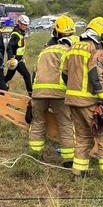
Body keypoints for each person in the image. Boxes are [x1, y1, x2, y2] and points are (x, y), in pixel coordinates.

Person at [63, 17, 103, 179]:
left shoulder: (72, 48)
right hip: (89, 101)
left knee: (82, 137)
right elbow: (94, 76)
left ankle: (78, 172)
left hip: (72, 101)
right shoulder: (93, 49)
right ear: (100, 34)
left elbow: (64, 74)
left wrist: (74, 91)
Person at [29, 15, 77, 165]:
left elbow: (35, 73)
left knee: (37, 122)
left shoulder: (45, 50)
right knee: (65, 124)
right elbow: (71, 73)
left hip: (38, 93)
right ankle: (68, 158)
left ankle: (34, 156)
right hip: (59, 93)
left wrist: (32, 94)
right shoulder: (68, 51)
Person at [5, 15, 33, 95]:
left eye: (26, 25)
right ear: (19, 23)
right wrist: (11, 58)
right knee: (27, 75)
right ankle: (31, 94)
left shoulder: (20, 33)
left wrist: (22, 57)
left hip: (18, 59)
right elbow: (9, 47)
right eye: (24, 24)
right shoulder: (16, 34)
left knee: (8, 77)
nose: (26, 26)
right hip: (15, 60)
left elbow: (19, 47)